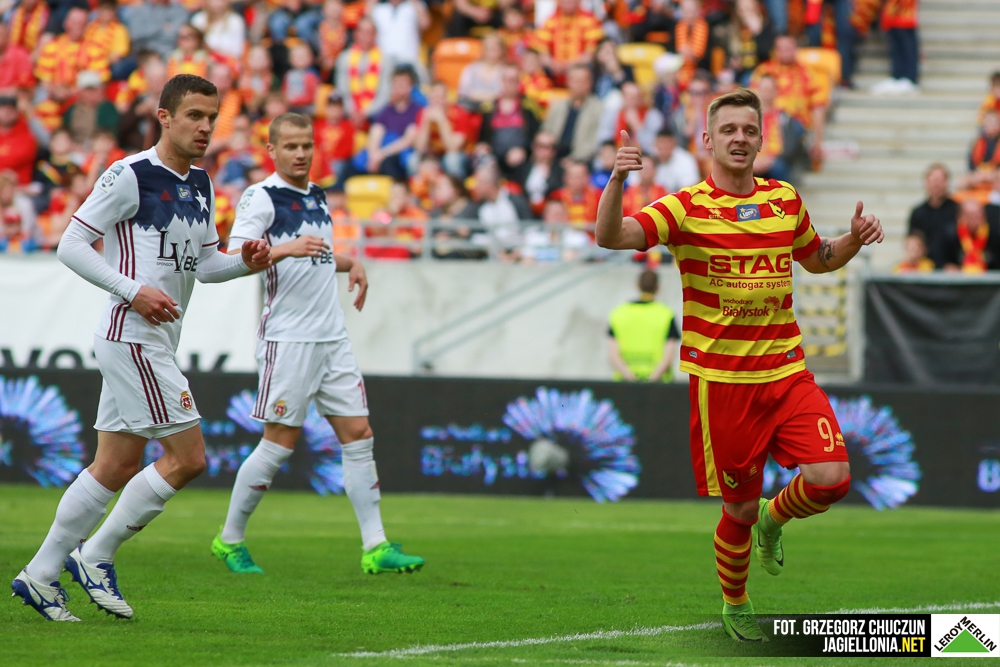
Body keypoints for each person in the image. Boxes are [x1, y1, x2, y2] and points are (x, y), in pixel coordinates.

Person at [595, 88, 883, 641]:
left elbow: (818, 258)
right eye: (728, 129)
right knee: (740, 510)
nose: (740, 139)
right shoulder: (684, 208)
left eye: (749, 130)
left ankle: (777, 518)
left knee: (832, 479)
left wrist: (853, 238)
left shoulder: (783, 199)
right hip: (724, 386)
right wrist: (617, 181)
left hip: (787, 373)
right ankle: (736, 601)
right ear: (707, 139)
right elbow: (611, 236)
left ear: (761, 138)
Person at [11, 74, 272, 621]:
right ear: (164, 117)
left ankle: (40, 574)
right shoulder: (129, 174)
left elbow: (205, 265)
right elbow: (71, 244)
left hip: (152, 340)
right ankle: (96, 555)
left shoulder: (201, 183)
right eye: (195, 115)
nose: (205, 126)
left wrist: (244, 263)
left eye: (212, 117)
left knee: (115, 464)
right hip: (132, 336)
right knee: (189, 459)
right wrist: (132, 290)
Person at [212, 112, 423, 574]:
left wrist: (351, 263)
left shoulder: (318, 195)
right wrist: (284, 248)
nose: (301, 153)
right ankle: (229, 539)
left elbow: (317, 255)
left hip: (332, 337)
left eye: (307, 145)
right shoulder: (261, 197)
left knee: (359, 434)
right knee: (279, 443)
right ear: (272, 150)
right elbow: (233, 258)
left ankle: (376, 547)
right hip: (288, 339)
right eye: (291, 146)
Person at [608, 269, 679, 382]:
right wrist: (651, 380)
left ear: (637, 285)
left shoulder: (619, 313)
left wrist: (630, 377)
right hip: (659, 383)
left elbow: (613, 354)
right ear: (658, 287)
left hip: (624, 383)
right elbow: (669, 355)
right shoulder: (666, 314)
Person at [542, 65, 603, 162]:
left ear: (590, 83)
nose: (579, 85)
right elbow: (546, 131)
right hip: (553, 157)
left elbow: (595, 142)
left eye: (582, 81)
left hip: (582, 160)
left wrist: (574, 159)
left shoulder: (598, 109)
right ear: (568, 82)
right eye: (575, 81)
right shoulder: (557, 106)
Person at [907, 163, 959, 269]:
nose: (936, 184)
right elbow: (912, 242)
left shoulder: (957, 210)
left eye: (940, 180)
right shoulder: (918, 213)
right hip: (924, 270)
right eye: (933, 180)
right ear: (926, 182)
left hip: (953, 270)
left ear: (947, 182)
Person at [63, 70, 120, 148]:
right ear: (81, 91)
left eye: (94, 89)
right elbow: (65, 130)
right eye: (87, 89)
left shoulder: (108, 108)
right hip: (74, 147)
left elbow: (111, 133)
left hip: (100, 147)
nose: (91, 93)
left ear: (100, 89)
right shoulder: (72, 109)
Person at [0, 94, 38, 185]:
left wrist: (29, 112)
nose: (7, 113)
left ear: (17, 111)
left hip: (20, 187)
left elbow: (17, 158)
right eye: (3, 109)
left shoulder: (26, 130)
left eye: (11, 109)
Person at [652, 128, 700, 193]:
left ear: (674, 143)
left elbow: (690, 188)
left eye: (667, 144)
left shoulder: (686, 160)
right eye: (661, 144)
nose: (664, 147)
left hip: (678, 197)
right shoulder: (649, 159)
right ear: (655, 144)